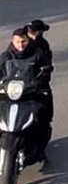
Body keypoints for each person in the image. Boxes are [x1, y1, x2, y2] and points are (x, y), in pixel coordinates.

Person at [0, 28, 52, 159]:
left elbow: (45, 71)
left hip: (30, 95)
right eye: (18, 42)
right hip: (9, 95)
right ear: (13, 41)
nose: (21, 45)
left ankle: (40, 147)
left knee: (42, 115)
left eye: (23, 41)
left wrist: (38, 82)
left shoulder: (37, 54)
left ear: (28, 41)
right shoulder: (6, 56)